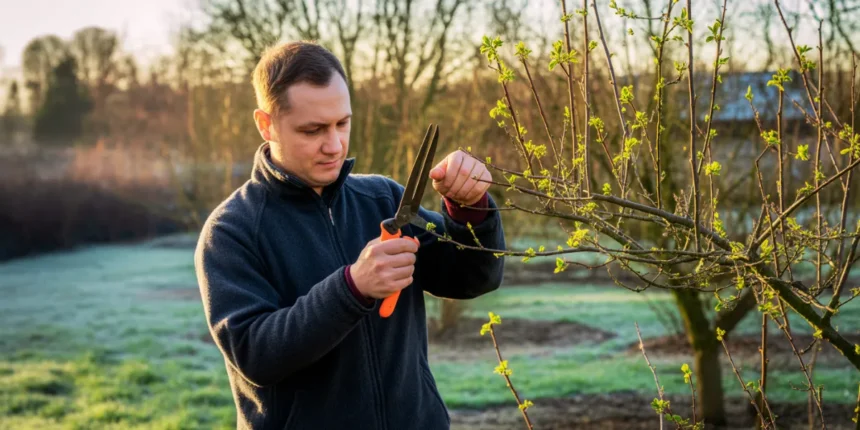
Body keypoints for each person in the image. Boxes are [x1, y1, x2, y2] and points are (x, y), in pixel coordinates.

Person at [194, 40, 506, 430]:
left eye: (343, 123)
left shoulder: (384, 198)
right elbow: (257, 355)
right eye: (313, 130)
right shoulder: (231, 231)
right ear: (266, 123)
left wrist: (470, 209)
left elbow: (475, 277)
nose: (334, 144)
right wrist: (352, 288)